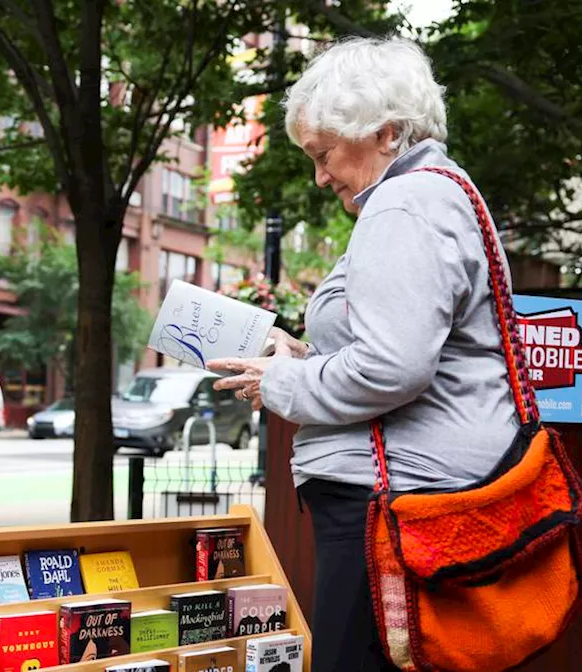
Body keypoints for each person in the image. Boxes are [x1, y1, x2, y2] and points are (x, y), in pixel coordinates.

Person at [208, 36, 518, 672]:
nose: (319, 175)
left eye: (323, 154)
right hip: (412, 497)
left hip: (390, 505)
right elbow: (399, 348)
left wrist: (282, 383)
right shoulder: (439, 195)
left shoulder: (403, 204)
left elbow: (391, 369)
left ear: (384, 132)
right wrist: (301, 354)